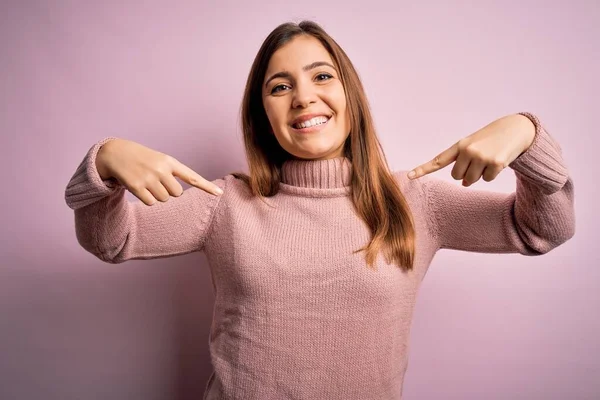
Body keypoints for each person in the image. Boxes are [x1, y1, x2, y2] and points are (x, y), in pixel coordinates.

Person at [64, 20, 575, 400]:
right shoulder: (225, 205)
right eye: (279, 86)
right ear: (263, 115)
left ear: (350, 95)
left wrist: (528, 134)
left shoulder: (415, 202)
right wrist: (105, 162)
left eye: (322, 77)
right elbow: (112, 240)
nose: (303, 98)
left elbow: (540, 230)